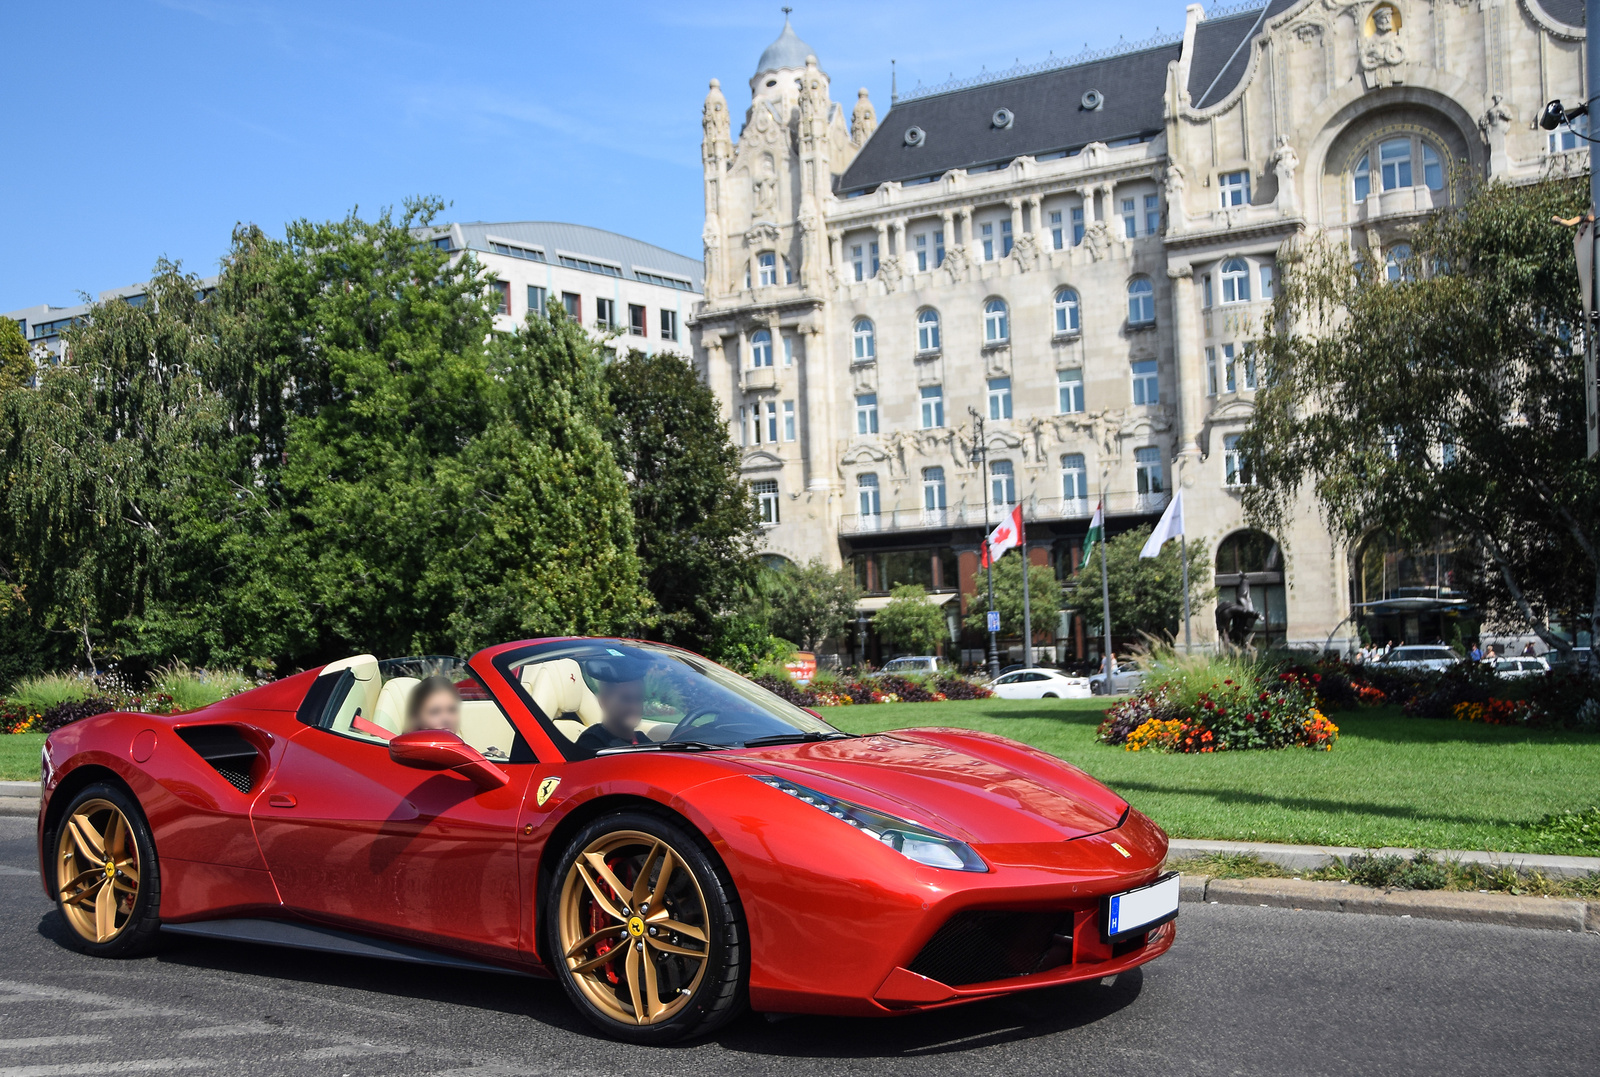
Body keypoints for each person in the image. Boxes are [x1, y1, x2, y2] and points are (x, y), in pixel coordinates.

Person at [574, 656, 652, 756]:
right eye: (626, 699)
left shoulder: (642, 740)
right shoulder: (592, 744)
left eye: (639, 699)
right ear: (604, 701)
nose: (635, 707)